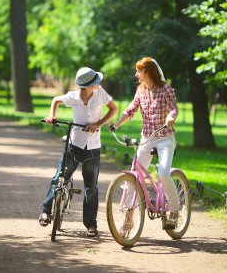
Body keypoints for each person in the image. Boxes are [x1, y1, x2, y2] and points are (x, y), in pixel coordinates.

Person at [39, 67, 117, 237]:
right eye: (96, 81)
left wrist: (98, 124)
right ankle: (45, 211)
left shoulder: (100, 93)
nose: (99, 83)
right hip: (75, 144)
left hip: (93, 147)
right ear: (88, 85)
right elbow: (56, 100)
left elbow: (114, 109)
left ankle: (90, 224)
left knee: (91, 188)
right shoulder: (73, 97)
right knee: (59, 178)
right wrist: (51, 116)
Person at [110, 56, 179, 231]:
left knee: (163, 173)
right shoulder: (141, 90)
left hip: (165, 139)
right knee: (134, 177)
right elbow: (131, 109)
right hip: (147, 139)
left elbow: (174, 108)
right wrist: (117, 124)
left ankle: (174, 211)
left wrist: (171, 117)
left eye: (138, 71)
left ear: (147, 72)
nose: (136, 74)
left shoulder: (166, 89)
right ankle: (129, 218)